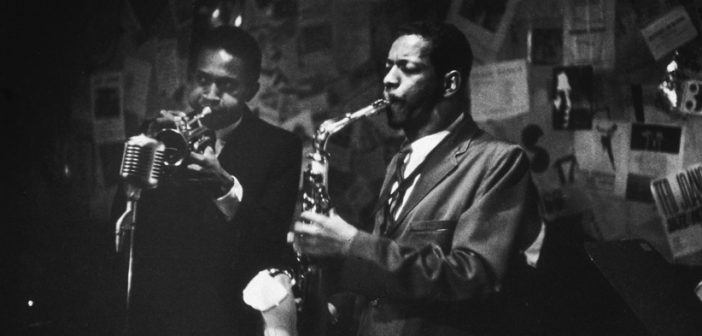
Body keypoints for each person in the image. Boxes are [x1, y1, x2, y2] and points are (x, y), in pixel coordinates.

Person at [291, 21, 541, 336]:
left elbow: (474, 276)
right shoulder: (400, 161)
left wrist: (353, 242)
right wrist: (337, 304)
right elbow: (387, 273)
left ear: (449, 84)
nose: (388, 80)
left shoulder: (499, 161)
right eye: (387, 67)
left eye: (407, 69)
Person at [112, 26, 302, 336]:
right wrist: (146, 150)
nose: (210, 96)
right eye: (202, 80)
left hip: (229, 319)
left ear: (251, 92)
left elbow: (269, 244)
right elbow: (122, 224)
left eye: (227, 85)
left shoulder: (280, 147)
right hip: (159, 317)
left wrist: (225, 188)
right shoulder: (161, 135)